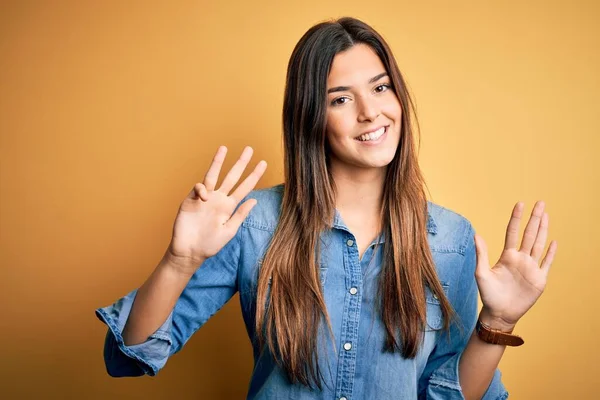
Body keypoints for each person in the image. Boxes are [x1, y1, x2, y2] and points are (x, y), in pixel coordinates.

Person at [95, 17, 557, 400]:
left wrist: (498, 322)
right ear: (311, 117)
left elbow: (450, 395)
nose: (370, 112)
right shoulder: (253, 223)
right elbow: (129, 357)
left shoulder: (451, 240)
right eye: (340, 98)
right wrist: (180, 262)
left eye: (380, 88)